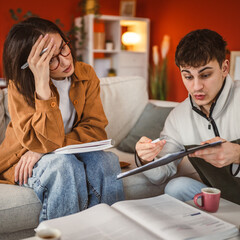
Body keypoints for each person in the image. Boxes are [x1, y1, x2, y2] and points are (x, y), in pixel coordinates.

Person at [0, 17, 124, 222]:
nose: (66, 62)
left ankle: (110, 231)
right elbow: (37, 140)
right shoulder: (19, 86)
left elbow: (95, 129)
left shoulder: (85, 73)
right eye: (50, 60)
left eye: (63, 48)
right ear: (31, 64)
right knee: (63, 166)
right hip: (22, 158)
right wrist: (42, 87)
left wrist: (43, 149)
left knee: (106, 160)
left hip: (61, 151)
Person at [135, 29, 240, 205]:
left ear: (224, 68)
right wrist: (146, 158)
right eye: (188, 76)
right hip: (220, 196)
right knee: (176, 187)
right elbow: (160, 175)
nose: (196, 87)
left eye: (205, 75)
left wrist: (238, 154)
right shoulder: (178, 116)